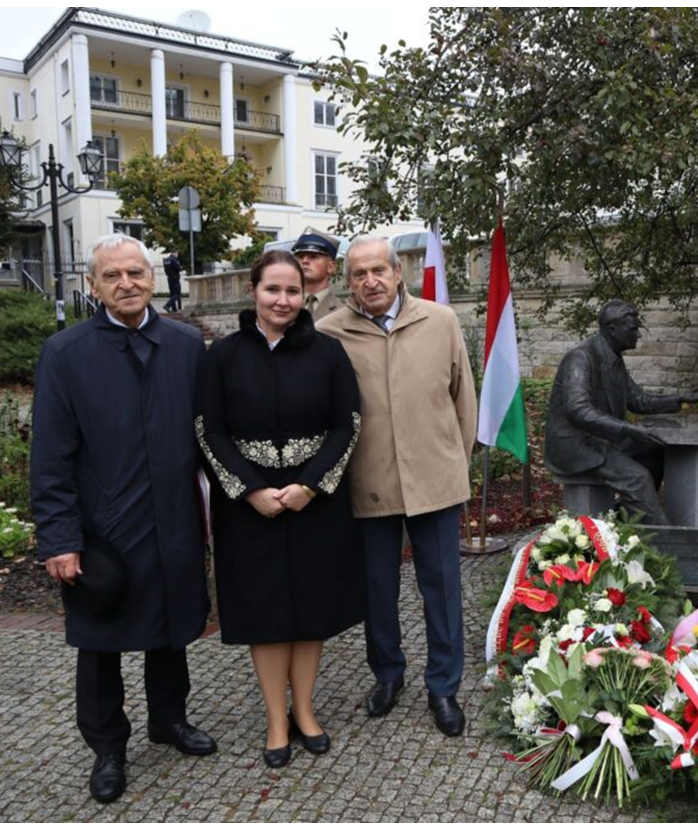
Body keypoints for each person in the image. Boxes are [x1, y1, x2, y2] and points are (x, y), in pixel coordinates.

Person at [30, 233, 216, 804]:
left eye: (135, 273)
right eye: (112, 276)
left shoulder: (187, 345)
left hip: (175, 518)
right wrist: (60, 538)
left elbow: (213, 435)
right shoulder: (65, 353)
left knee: (170, 629)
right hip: (102, 527)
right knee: (101, 641)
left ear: (152, 278)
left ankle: (169, 719)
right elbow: (52, 456)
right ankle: (108, 747)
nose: (127, 284)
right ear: (93, 286)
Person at [194, 250, 365, 766]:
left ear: (304, 294)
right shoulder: (221, 355)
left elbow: (349, 424)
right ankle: (275, 719)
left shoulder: (329, 353)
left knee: (309, 609)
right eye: (273, 289)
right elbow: (208, 430)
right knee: (265, 612)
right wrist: (248, 489)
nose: (283, 300)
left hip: (314, 503)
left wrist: (311, 485)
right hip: (248, 507)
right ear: (254, 290)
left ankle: (306, 710)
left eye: (293, 291)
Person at [316, 235, 477, 737]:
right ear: (348, 282)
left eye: (378, 270)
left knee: (443, 588)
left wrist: (454, 461)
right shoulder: (329, 333)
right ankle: (388, 674)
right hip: (369, 482)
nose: (371, 281)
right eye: (360, 274)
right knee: (377, 591)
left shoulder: (440, 321)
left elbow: (463, 400)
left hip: (435, 479)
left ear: (397, 271)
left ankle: (444, 685)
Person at [543, 300, 698, 526]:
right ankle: (664, 544)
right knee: (637, 479)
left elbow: (637, 400)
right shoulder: (580, 358)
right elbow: (578, 410)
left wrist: (678, 400)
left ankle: (626, 519)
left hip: (601, 439)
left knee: (656, 448)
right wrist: (629, 429)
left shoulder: (614, 358)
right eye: (633, 329)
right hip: (576, 445)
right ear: (612, 329)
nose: (638, 334)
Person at [293, 226, 343, 319]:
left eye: (313, 256)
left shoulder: (344, 311)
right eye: (300, 256)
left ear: (330, 267)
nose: (304, 261)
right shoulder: (285, 305)